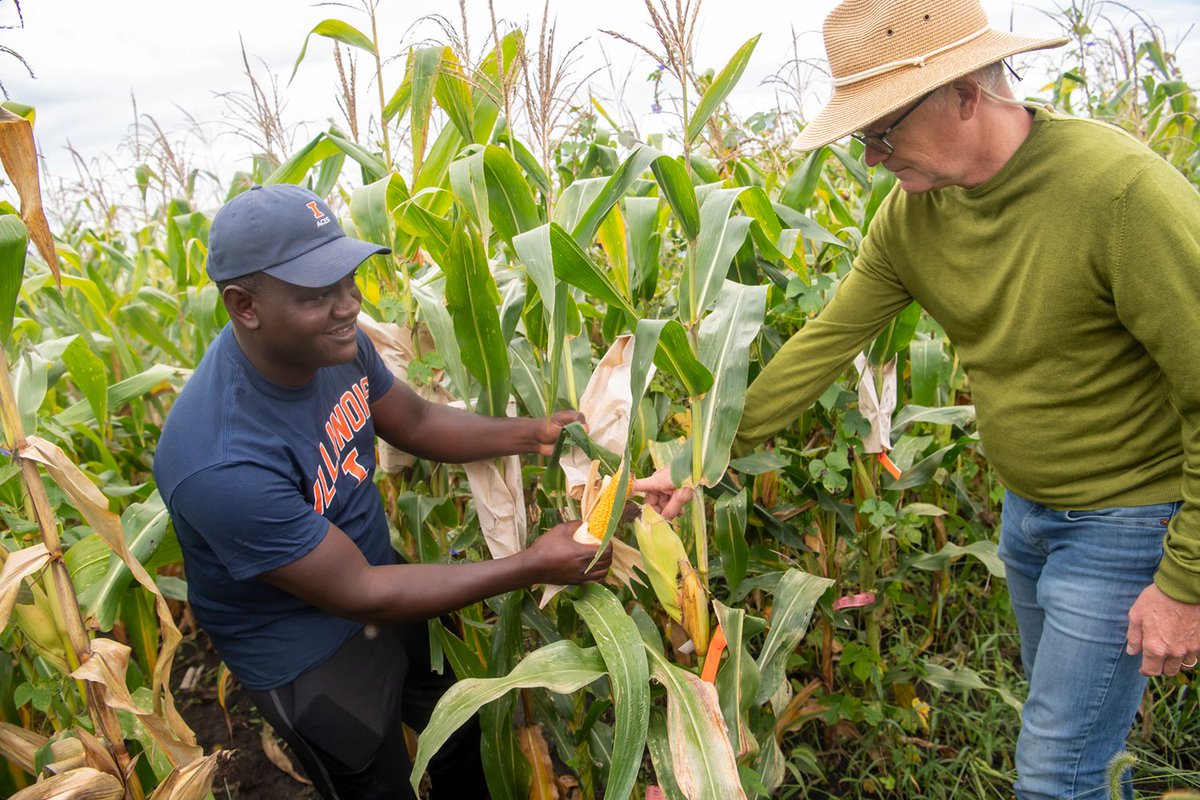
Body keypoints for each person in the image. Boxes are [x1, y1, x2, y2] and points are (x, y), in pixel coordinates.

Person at [637, 0, 1200, 797]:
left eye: (881, 132)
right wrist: (697, 459)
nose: (869, 158)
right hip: (1028, 517)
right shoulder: (911, 218)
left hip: (1127, 518)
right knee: (1083, 752)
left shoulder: (1118, 195)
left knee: (1055, 770)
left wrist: (1184, 581)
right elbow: (824, 345)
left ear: (965, 95)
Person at [154, 183, 611, 800]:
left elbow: (415, 421)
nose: (349, 306)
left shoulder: (334, 344)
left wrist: (531, 434)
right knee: (375, 780)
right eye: (319, 294)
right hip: (307, 652)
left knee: (458, 731)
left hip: (383, 580)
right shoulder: (218, 462)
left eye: (349, 281)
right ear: (244, 305)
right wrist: (533, 564)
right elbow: (361, 593)